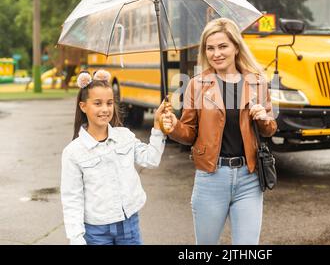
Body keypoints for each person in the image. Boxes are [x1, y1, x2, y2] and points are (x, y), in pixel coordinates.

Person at [161, 18, 277, 245]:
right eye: (210, 48)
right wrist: (173, 126)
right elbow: (189, 133)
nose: (216, 53)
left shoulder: (257, 83)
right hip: (211, 178)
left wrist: (264, 118)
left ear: (236, 47)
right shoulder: (196, 84)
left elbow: (270, 129)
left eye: (222, 46)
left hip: (249, 178)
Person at [60, 69, 173, 245]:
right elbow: (71, 198)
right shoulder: (73, 152)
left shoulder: (125, 136)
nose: (105, 109)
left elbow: (151, 159)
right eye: (97, 103)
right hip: (96, 232)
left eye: (109, 103)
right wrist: (76, 238)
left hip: (129, 225)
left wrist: (158, 126)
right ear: (83, 106)